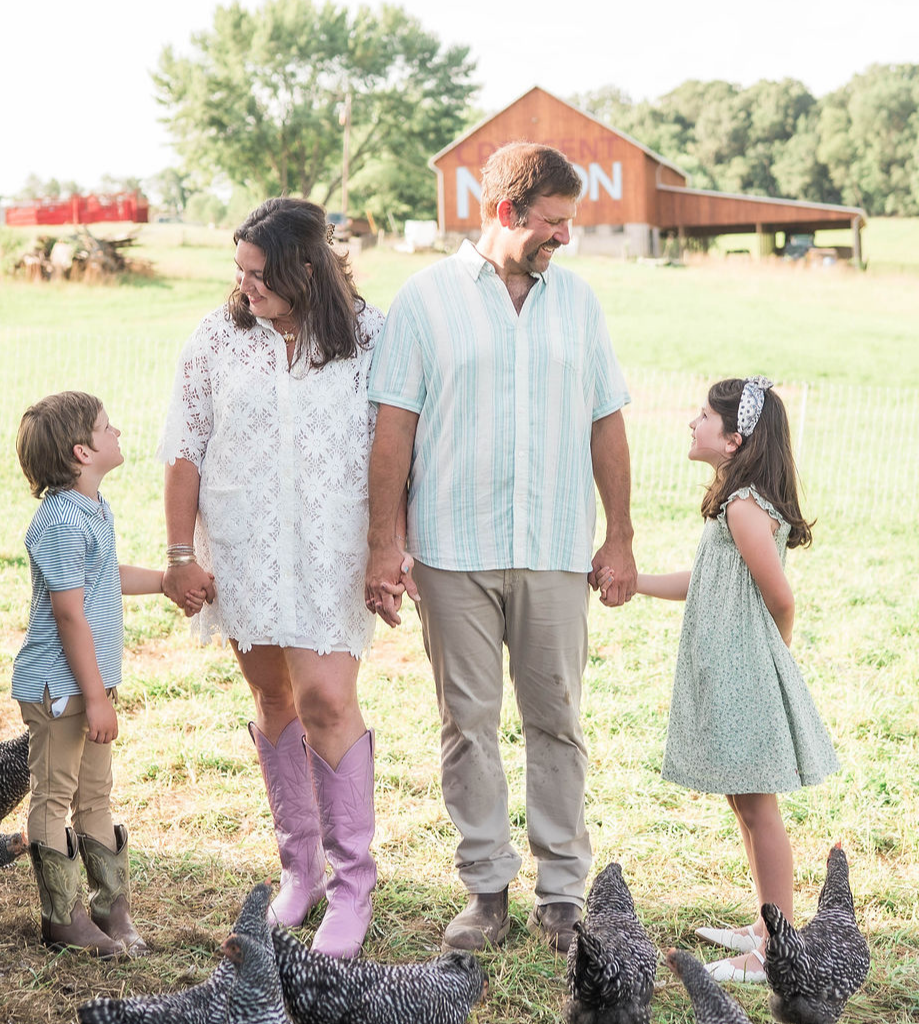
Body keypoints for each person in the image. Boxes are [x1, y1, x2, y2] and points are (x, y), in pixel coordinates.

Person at [366, 142, 636, 954]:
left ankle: (562, 896)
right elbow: (393, 432)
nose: (564, 239)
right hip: (455, 549)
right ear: (504, 213)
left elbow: (607, 421)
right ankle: (486, 890)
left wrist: (618, 535)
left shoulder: (579, 303)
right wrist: (385, 545)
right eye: (552, 224)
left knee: (558, 721)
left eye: (569, 224)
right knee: (467, 724)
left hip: (555, 545)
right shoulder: (424, 300)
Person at [159, 197, 400, 959]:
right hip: (243, 547)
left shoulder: (371, 337)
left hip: (336, 548)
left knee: (328, 698)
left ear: (306, 268)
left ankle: (353, 883)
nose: (245, 286)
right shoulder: (217, 337)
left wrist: (392, 548)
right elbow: (184, 446)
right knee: (273, 698)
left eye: (258, 274)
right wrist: (177, 555)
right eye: (238, 271)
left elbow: (401, 447)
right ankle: (301, 871)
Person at [597, 376, 839, 983]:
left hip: (748, 673)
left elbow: (781, 598)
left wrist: (769, 659)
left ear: (734, 438)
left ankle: (775, 947)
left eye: (704, 415)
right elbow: (706, 584)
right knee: (744, 800)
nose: (692, 422)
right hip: (734, 671)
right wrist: (635, 582)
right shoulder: (735, 504)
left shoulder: (745, 508)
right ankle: (766, 922)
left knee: (760, 806)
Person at [13, 391, 184, 958]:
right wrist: (96, 697)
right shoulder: (59, 521)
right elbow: (68, 613)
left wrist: (164, 581)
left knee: (95, 794)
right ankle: (62, 918)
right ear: (82, 451)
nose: (118, 433)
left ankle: (112, 909)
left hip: (90, 686)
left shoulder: (93, 508)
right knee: (54, 794)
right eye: (107, 428)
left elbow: (102, 579)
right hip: (61, 689)